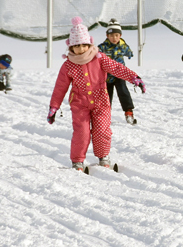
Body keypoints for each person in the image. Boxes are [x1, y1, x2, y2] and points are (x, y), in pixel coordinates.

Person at [48, 17, 145, 173]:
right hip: (79, 103)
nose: (81, 49)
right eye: (77, 46)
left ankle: (103, 156)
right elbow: (60, 87)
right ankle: (78, 161)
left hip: (101, 102)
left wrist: (134, 78)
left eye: (84, 45)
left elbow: (117, 68)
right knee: (82, 132)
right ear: (71, 46)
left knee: (102, 130)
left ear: (90, 44)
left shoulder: (99, 59)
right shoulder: (68, 65)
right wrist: (54, 107)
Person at [99, 20, 137, 124]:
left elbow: (129, 52)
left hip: (119, 75)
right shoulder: (103, 47)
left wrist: (129, 54)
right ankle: (105, 115)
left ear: (120, 35)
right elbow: (95, 54)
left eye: (116, 35)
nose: (114, 38)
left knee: (123, 92)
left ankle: (129, 112)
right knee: (106, 96)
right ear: (107, 35)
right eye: (111, 35)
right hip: (106, 76)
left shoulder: (123, 45)